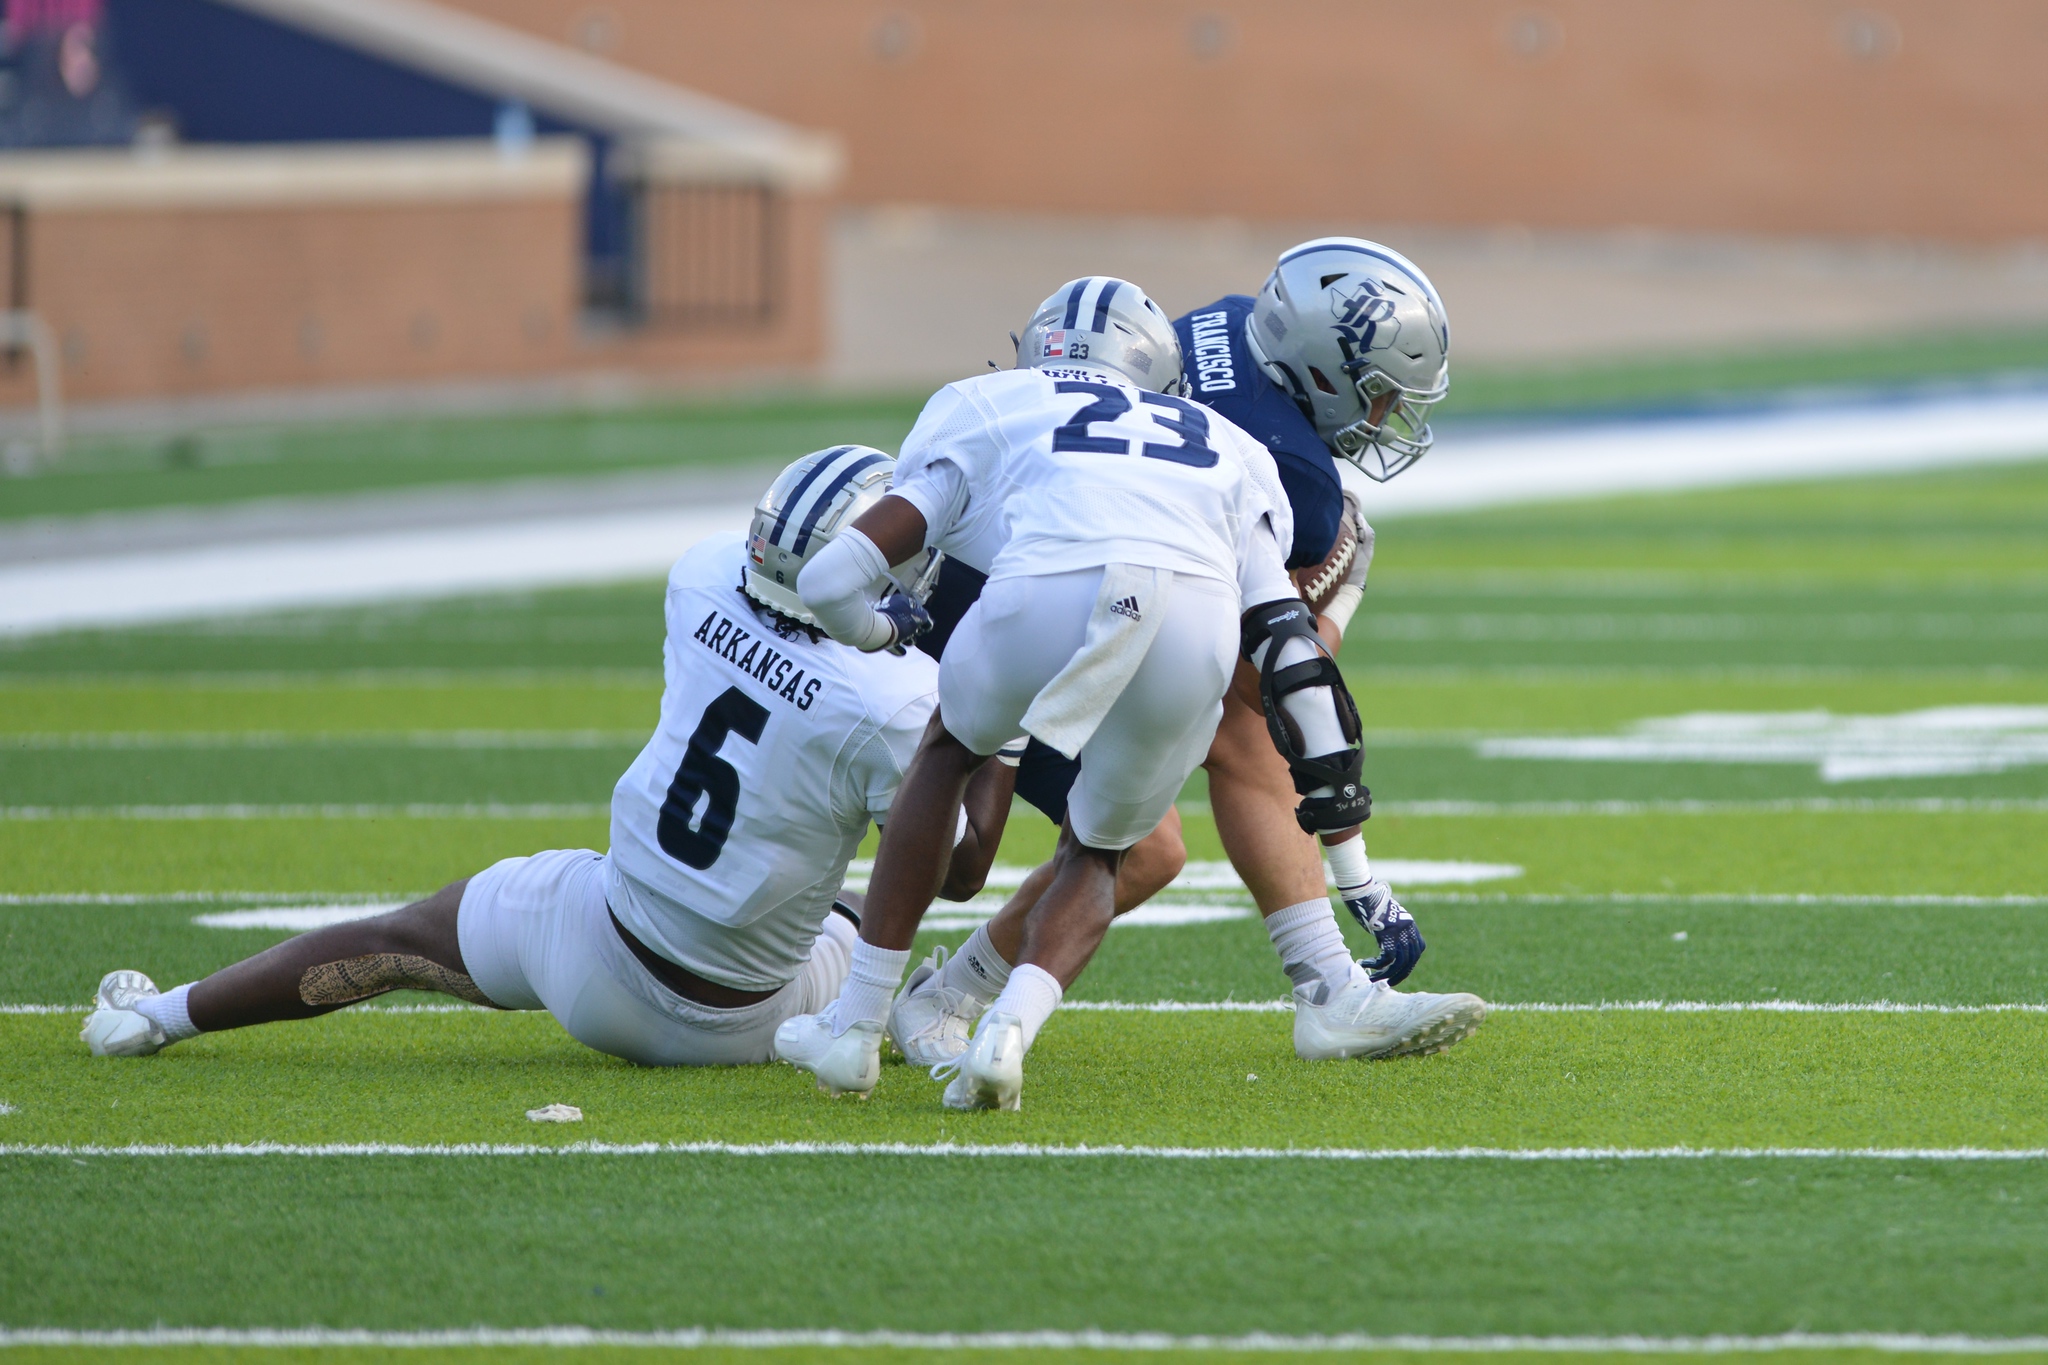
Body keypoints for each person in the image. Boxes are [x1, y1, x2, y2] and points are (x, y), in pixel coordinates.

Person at [80, 448, 1015, 1067]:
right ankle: (916, 1004)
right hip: (745, 1020)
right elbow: (962, 868)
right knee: (863, 908)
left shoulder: (700, 580)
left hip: (591, 947)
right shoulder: (894, 700)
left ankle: (157, 1016)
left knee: (397, 941)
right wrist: (1000, 728)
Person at [774, 276, 1403, 1110]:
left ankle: (855, 1024)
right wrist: (1355, 863)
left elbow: (830, 575)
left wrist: (884, 633)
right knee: (1111, 849)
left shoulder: (988, 401)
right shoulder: (1230, 443)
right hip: (1185, 620)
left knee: (948, 755)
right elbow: (1290, 667)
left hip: (1035, 596)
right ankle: (1007, 1031)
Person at [889, 244, 1485, 1070]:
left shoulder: (1238, 322)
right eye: (1379, 395)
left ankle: (1326, 987)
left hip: (1010, 558)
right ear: (1322, 373)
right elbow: (1255, 676)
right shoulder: (1300, 481)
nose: (1385, 419)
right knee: (1151, 839)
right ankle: (946, 992)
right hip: (1020, 606)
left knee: (1231, 742)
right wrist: (1338, 600)